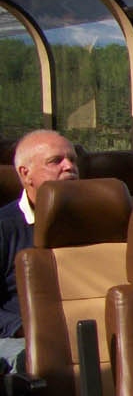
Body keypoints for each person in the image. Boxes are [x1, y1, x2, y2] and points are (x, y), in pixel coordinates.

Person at [0, 130, 80, 364]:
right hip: (20, 337)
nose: (69, 167)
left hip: (88, 330)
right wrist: (23, 327)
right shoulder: (5, 227)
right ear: (26, 174)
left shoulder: (100, 222)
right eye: (55, 161)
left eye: (73, 160)